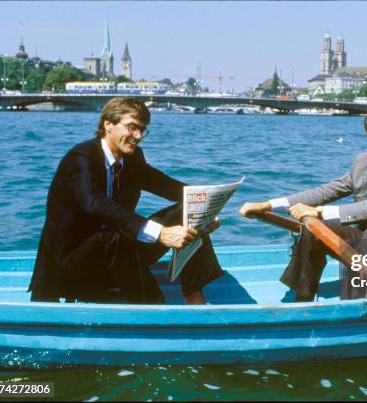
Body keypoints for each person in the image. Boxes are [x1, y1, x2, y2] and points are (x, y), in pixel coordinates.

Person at [239, 105, 367, 302]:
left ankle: (350, 306)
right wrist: (267, 205)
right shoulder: (363, 162)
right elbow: (327, 191)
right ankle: (301, 300)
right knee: (315, 229)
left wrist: (320, 211)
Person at [29, 97, 223, 304]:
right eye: (132, 128)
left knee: (184, 211)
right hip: (71, 267)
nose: (138, 136)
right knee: (115, 236)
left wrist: (205, 209)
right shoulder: (81, 158)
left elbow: (165, 185)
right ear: (108, 124)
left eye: (142, 130)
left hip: (116, 254)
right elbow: (95, 203)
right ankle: (153, 308)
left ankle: (194, 298)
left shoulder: (132, 158)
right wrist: (161, 233)